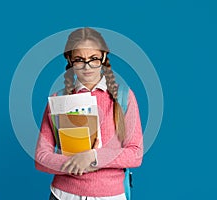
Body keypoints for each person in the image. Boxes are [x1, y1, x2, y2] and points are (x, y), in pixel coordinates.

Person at [35, 27, 143, 200]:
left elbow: (135, 154)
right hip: (63, 195)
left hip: (110, 196)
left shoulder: (124, 97)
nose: (87, 67)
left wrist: (92, 157)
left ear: (104, 57)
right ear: (70, 59)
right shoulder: (59, 99)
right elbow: (41, 157)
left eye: (94, 59)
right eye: (79, 60)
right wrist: (76, 163)